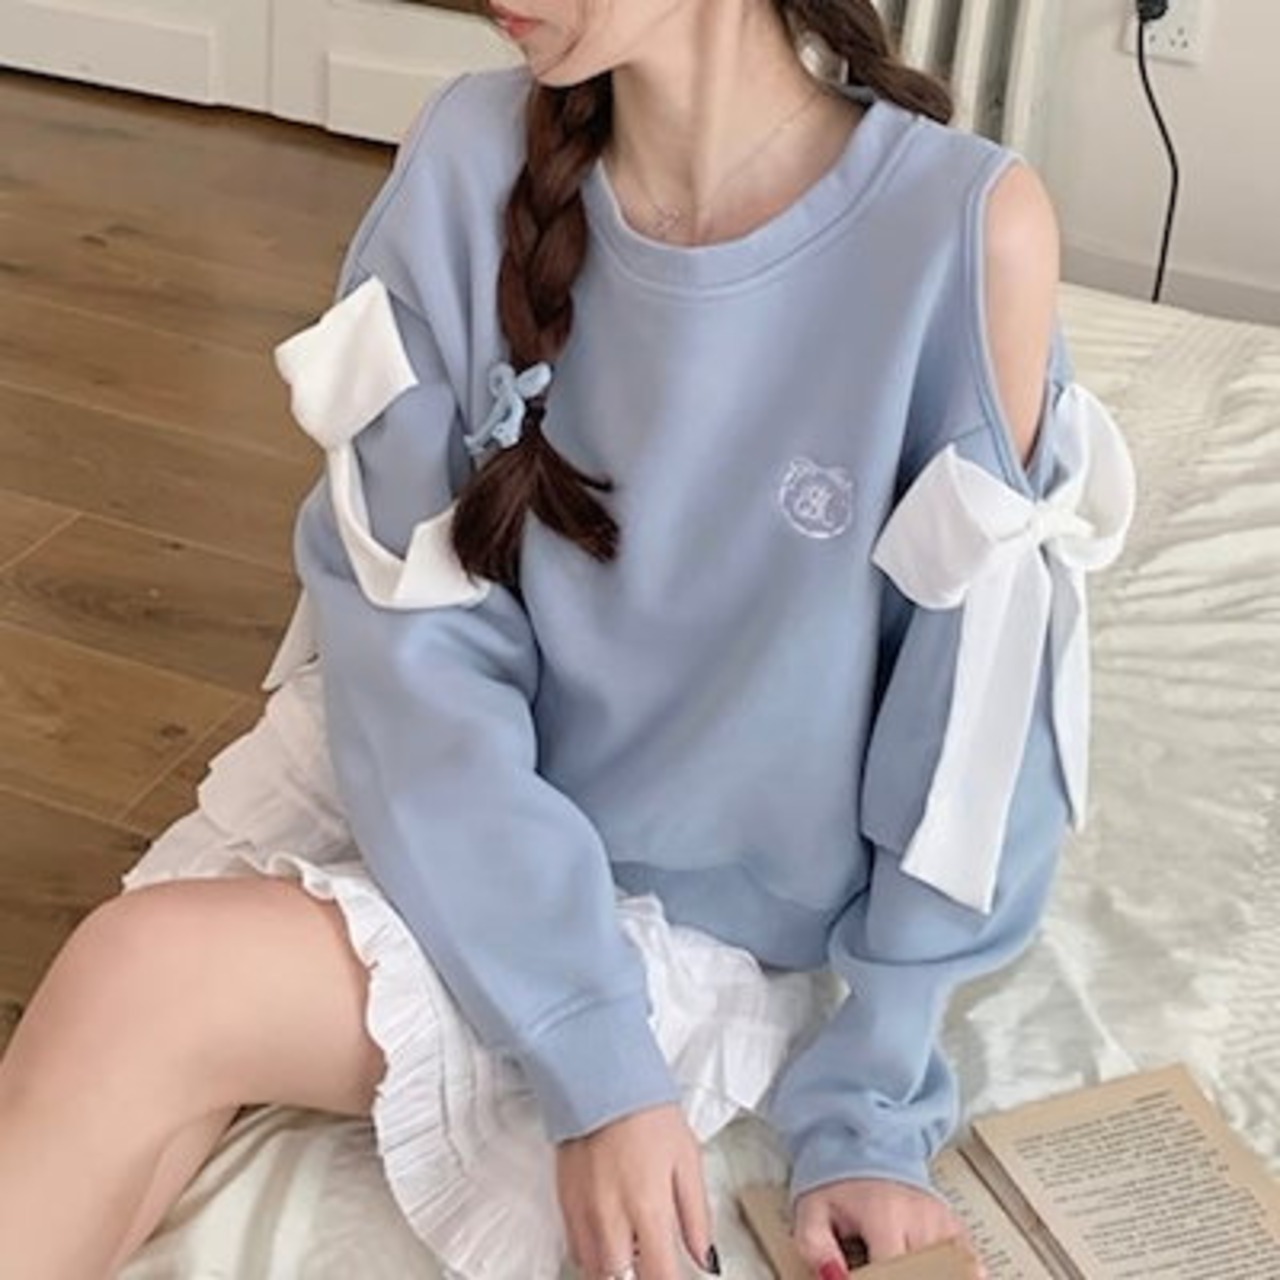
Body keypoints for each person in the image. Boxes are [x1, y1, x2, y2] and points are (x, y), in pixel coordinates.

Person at [0, 1, 1136, 1278]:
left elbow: (968, 729)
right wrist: (590, 1053)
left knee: (145, 980)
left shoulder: (963, 229)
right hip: (455, 811)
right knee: (129, 1052)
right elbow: (408, 638)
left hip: (699, 925)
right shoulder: (463, 156)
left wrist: (865, 1113)